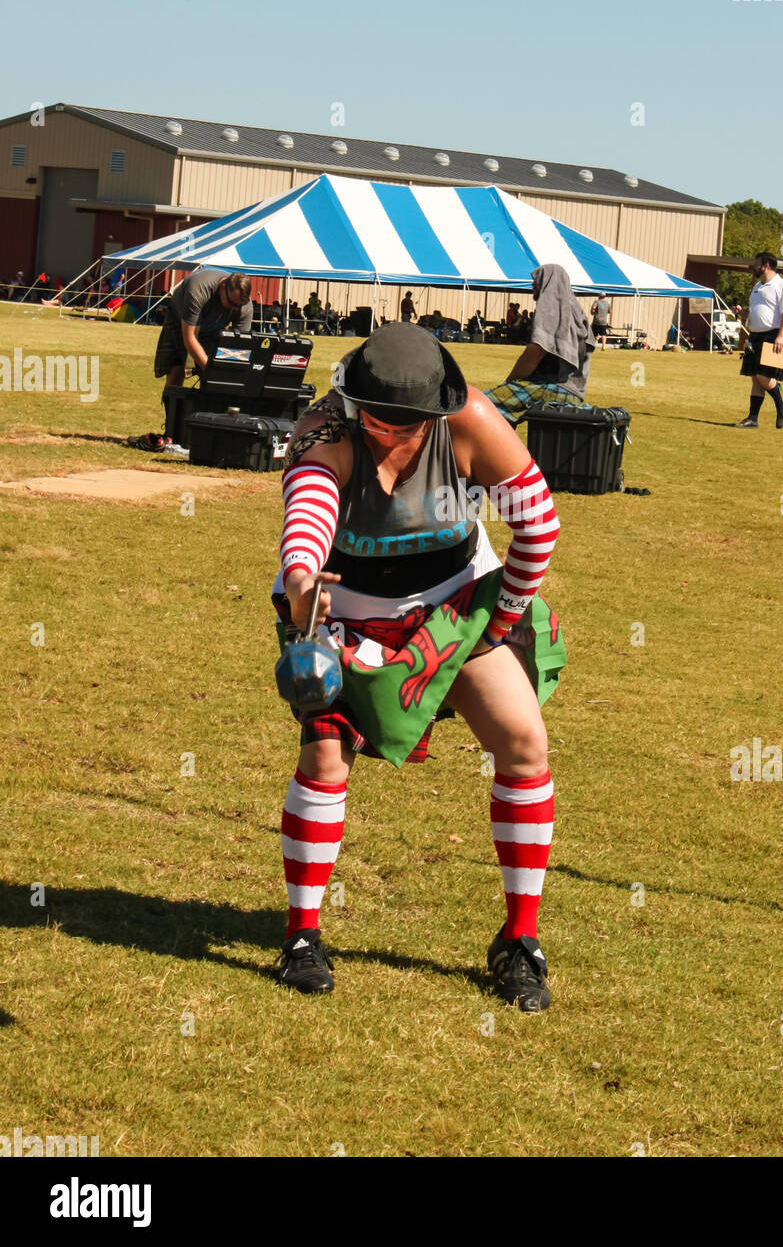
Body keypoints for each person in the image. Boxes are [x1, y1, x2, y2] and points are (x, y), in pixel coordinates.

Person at [271, 323, 566, 1011]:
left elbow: (539, 523)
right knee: (324, 759)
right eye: (378, 419)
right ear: (352, 402)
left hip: (454, 600)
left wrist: (500, 618)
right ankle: (301, 936)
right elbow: (306, 520)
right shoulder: (321, 431)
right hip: (346, 605)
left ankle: (519, 941)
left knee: (523, 743)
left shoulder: (473, 421)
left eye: (410, 424)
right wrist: (302, 583)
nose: (393, 436)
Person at [130, 270, 253, 453]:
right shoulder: (199, 288)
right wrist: (212, 370)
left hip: (214, 331)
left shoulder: (244, 306)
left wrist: (225, 373)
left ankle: (211, 429)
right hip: (182, 323)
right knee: (176, 370)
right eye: (231, 304)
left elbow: (239, 348)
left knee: (220, 381)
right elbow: (189, 339)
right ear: (223, 286)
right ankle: (172, 430)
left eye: (239, 305)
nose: (234, 309)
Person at [485, 263, 595, 425]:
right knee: (503, 419)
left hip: (556, 387)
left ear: (548, 282)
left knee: (482, 406)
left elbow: (535, 351)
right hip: (573, 390)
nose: (532, 285)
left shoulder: (552, 306)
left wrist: (508, 381)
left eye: (536, 281)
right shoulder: (574, 309)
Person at [735, 252, 783, 429]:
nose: (754, 267)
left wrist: (781, 336)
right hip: (755, 336)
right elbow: (754, 313)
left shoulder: (782, 286)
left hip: (772, 336)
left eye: (757, 264)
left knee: (763, 376)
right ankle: (753, 419)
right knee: (755, 377)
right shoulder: (757, 287)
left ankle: (781, 405)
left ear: (766, 265)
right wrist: (742, 312)